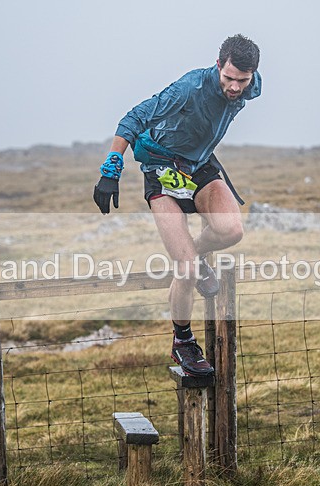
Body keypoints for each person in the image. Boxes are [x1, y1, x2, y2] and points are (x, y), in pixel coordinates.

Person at [93, 34, 261, 377]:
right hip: (161, 169)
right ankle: (182, 341)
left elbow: (233, 99)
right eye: (228, 78)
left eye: (242, 80)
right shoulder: (189, 88)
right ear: (218, 66)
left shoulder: (253, 85)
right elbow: (133, 118)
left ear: (253, 75)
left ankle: (196, 256)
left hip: (199, 167)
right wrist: (111, 169)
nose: (234, 87)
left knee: (231, 230)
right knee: (184, 269)